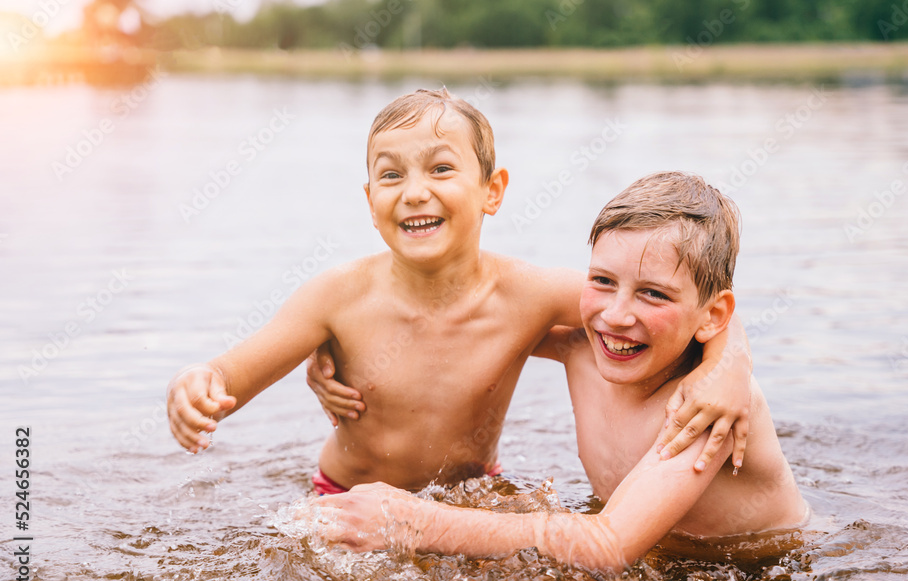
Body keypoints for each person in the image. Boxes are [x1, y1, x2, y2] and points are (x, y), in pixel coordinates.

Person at [167, 89, 752, 496]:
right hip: (345, 492)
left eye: (441, 169)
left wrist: (723, 372)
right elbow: (230, 375)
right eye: (391, 175)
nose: (414, 193)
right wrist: (195, 384)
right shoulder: (335, 297)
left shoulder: (530, 294)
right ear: (370, 201)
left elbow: (678, 310)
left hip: (472, 494)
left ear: (491, 190)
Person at [303, 172, 808, 572]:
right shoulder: (585, 347)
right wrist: (337, 344)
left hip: (765, 569)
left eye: (653, 293)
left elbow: (608, 544)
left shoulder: (707, 406)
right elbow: (449, 325)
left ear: (712, 317)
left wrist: (415, 522)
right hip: (661, 555)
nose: (616, 315)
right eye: (603, 281)